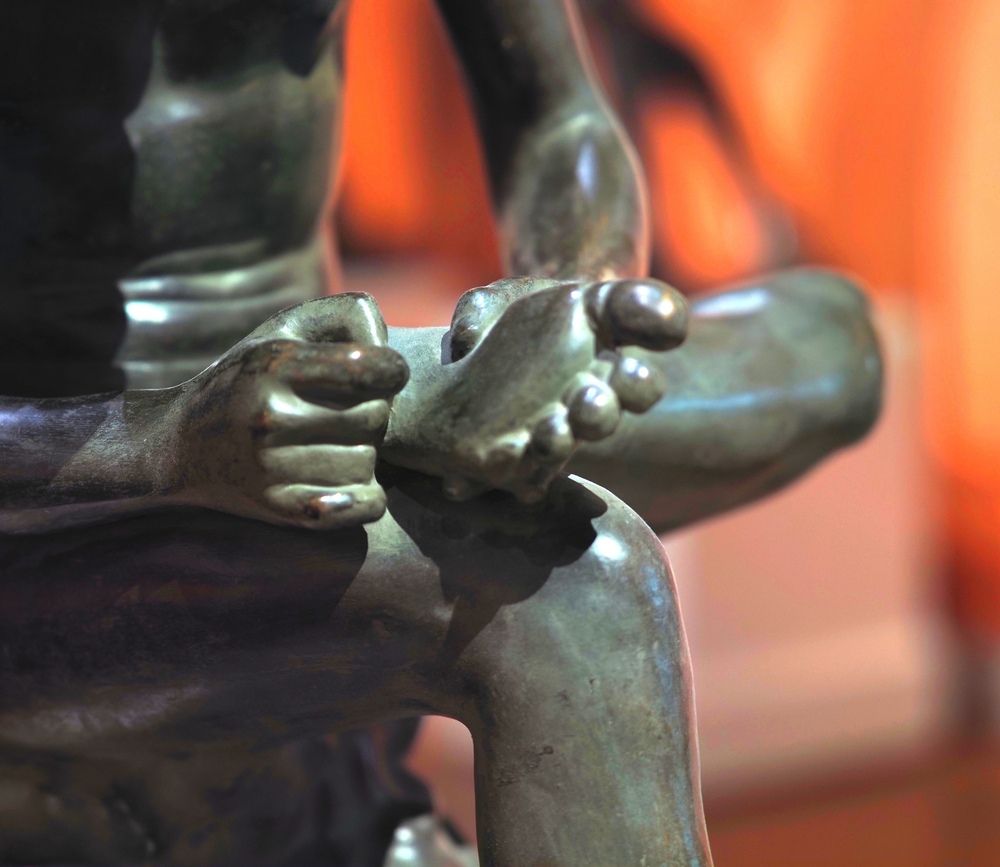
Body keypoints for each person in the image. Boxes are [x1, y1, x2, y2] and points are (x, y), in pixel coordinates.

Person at [0, 1, 880, 864]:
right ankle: (403, 431)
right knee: (575, 590)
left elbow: (558, 122)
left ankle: (422, 424)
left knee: (832, 345)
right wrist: (166, 443)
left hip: (324, 406)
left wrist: (563, 300)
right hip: (63, 520)